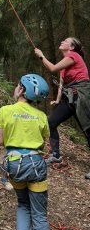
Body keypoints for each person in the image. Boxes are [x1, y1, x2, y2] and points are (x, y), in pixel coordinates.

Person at [0, 74, 55, 230]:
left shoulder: (6, 111)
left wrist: (13, 106)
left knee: (22, 204)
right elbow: (43, 142)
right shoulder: (41, 116)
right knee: (39, 214)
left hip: (14, 164)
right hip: (35, 164)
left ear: (20, 89)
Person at [34, 38, 90, 178]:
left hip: (82, 97)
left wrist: (41, 55)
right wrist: (57, 100)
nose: (62, 41)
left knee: (88, 129)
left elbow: (52, 68)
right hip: (69, 98)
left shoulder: (73, 56)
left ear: (71, 47)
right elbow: (61, 84)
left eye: (66, 41)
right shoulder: (65, 64)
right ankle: (56, 155)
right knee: (51, 122)